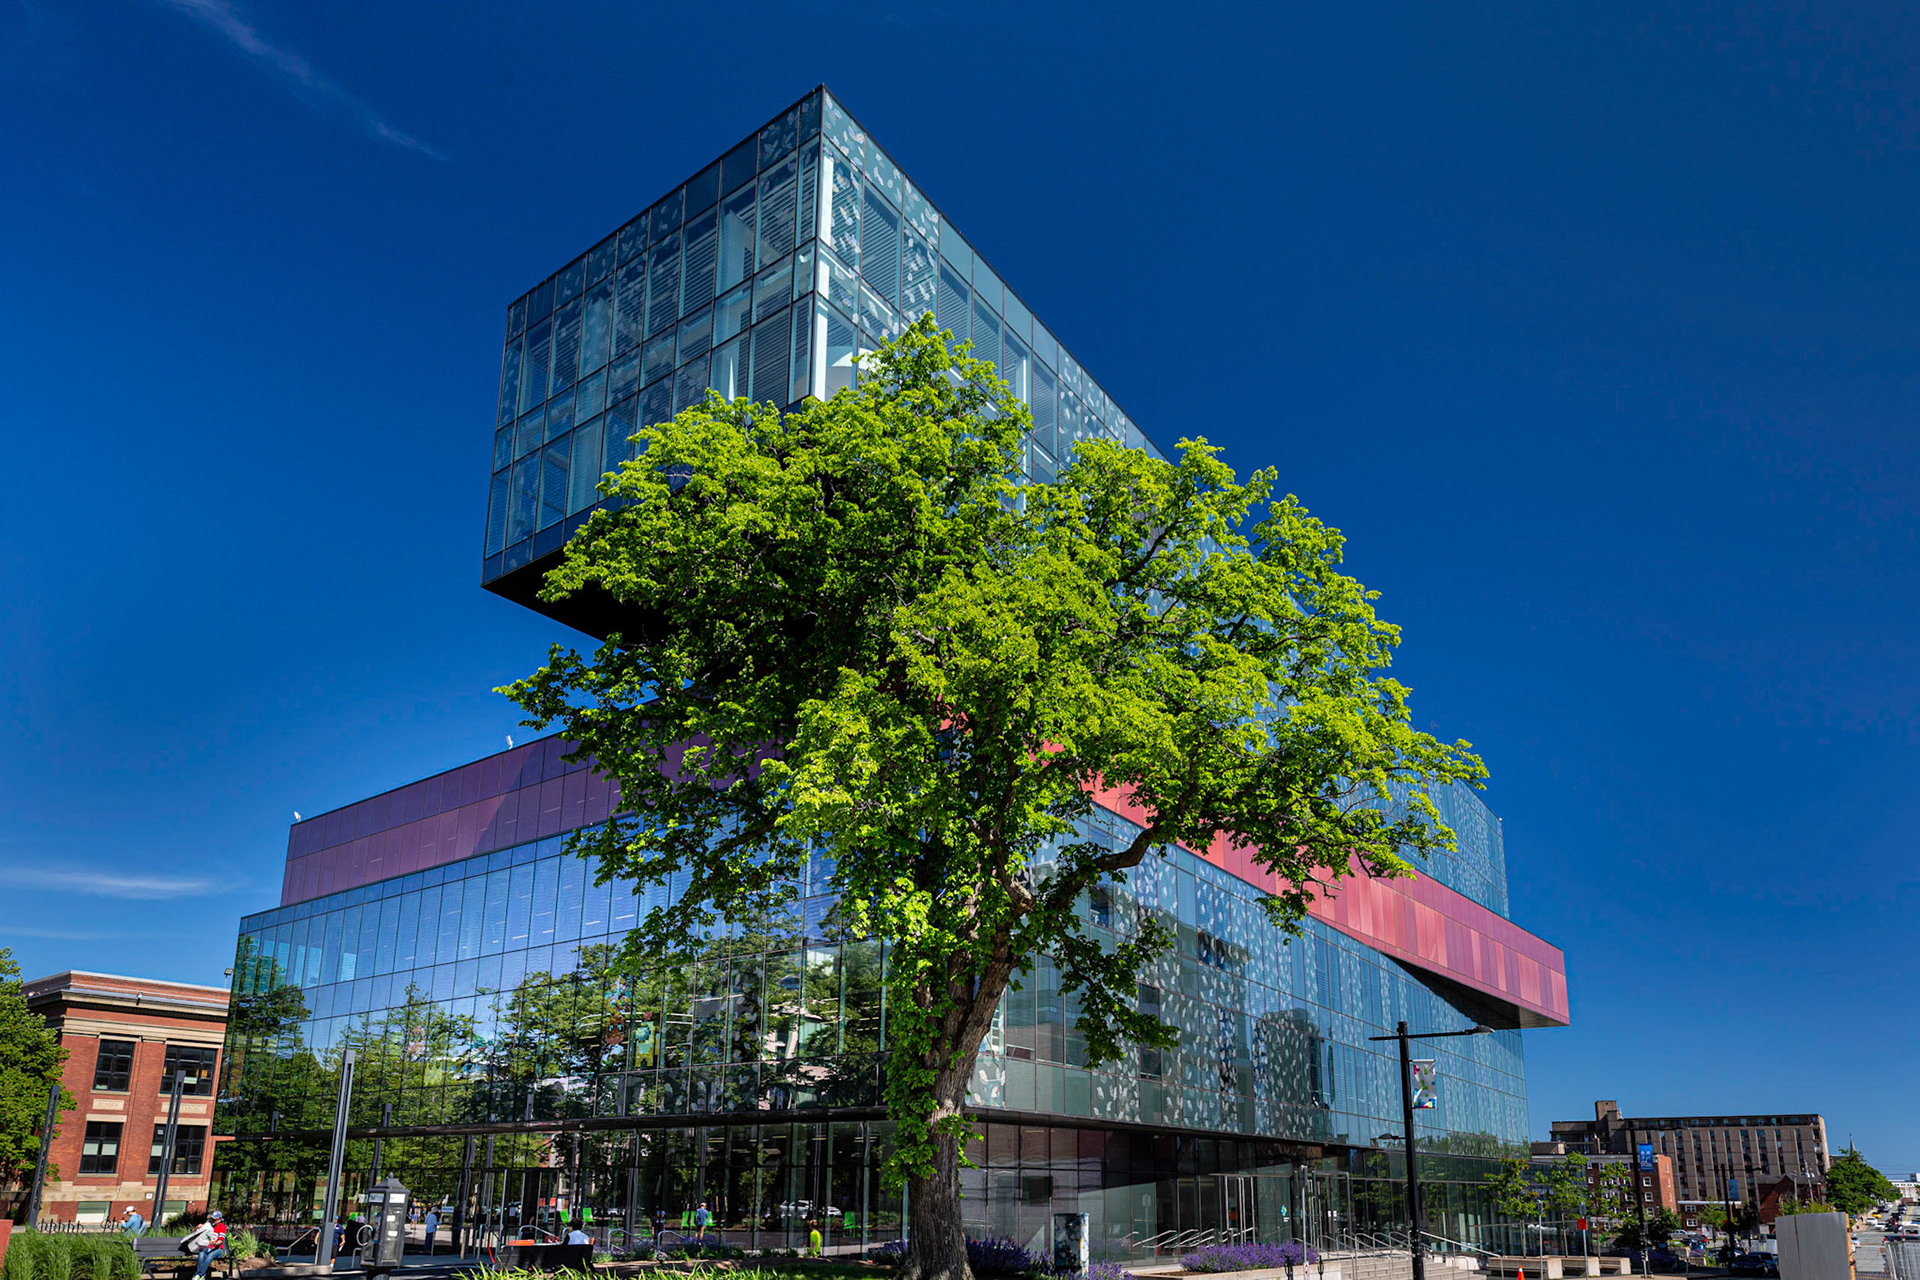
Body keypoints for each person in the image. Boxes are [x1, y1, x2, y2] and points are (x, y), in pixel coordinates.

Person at [194, 1211, 229, 1280]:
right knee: (201, 1255)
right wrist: (197, 1228)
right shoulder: (207, 1225)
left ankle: (199, 1274)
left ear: (219, 1219)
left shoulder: (222, 1227)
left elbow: (220, 1241)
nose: (212, 1220)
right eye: (212, 1218)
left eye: (214, 1219)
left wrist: (214, 1243)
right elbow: (193, 1234)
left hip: (218, 1249)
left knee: (210, 1255)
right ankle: (202, 1276)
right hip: (207, 1248)